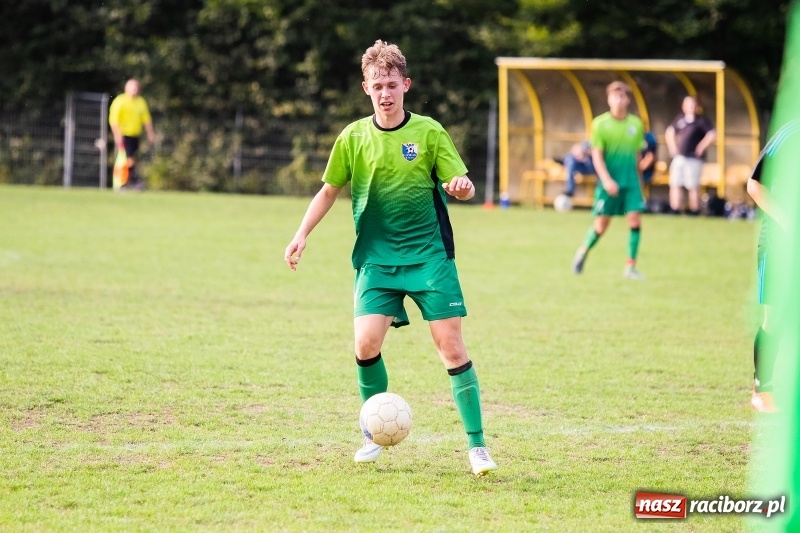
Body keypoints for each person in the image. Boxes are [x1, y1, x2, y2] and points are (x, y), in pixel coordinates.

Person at [283, 40, 498, 476]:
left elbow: (463, 183)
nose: (385, 93)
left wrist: (463, 189)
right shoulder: (353, 137)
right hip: (376, 261)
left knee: (452, 348)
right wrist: (301, 234)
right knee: (365, 345)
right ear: (366, 87)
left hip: (429, 257)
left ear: (406, 85)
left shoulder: (429, 132)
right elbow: (329, 190)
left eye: (392, 84)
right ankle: (372, 433)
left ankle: (477, 448)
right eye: (377, 85)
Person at [746, 120, 797, 413]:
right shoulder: (791, 132)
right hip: (780, 243)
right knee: (775, 319)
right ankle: (762, 388)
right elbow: (754, 185)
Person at [571, 81, 647, 280]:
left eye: (622, 96)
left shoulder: (636, 124)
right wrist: (606, 180)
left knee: (635, 220)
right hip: (609, 183)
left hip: (631, 183)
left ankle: (630, 267)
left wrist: (640, 183)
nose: (619, 100)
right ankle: (583, 251)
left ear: (628, 100)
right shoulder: (600, 124)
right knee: (601, 225)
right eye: (615, 96)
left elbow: (637, 156)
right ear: (609, 99)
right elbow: (596, 155)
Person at [664, 96, 716, 215]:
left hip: (693, 158)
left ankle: (694, 209)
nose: (691, 107)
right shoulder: (680, 119)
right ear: (684, 106)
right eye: (688, 104)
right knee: (675, 183)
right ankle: (675, 208)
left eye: (693, 104)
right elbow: (670, 132)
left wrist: (701, 146)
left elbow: (712, 134)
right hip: (680, 157)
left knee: (692, 185)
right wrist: (673, 147)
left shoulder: (701, 120)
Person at [108, 79, 156, 190]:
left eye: (136, 87)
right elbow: (114, 120)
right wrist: (117, 135)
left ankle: (129, 182)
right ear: (126, 88)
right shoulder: (120, 101)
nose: (134, 90)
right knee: (128, 159)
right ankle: (127, 182)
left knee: (131, 159)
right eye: (132, 87)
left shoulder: (140, 101)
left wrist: (150, 133)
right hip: (124, 135)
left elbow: (146, 119)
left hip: (135, 135)